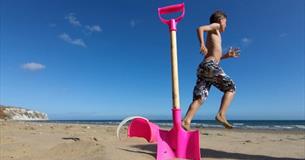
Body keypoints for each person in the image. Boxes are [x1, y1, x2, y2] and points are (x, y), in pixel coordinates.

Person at [182, 11, 240, 130]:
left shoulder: (216, 34)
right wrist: (202, 44)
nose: (226, 25)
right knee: (231, 87)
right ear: (220, 20)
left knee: (199, 98)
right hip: (210, 65)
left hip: (204, 68)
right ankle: (221, 114)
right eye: (226, 22)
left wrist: (226, 56)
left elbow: (216, 57)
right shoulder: (216, 27)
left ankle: (186, 121)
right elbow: (200, 28)